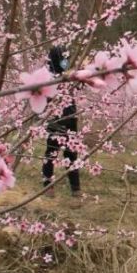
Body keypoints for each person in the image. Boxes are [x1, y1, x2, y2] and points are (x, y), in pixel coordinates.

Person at [42, 45, 81, 197]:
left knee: (71, 152)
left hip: (70, 115)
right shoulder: (48, 77)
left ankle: (75, 187)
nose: (65, 61)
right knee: (52, 151)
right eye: (63, 57)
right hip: (55, 117)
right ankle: (48, 185)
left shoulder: (68, 75)